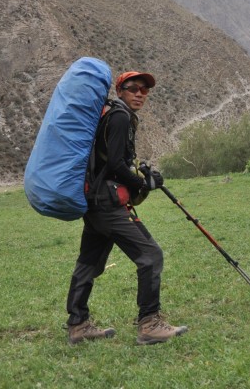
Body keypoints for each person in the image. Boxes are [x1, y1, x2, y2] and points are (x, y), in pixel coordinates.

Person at [64, 70, 188, 346]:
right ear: (119, 91)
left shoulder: (109, 114)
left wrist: (140, 178)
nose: (140, 94)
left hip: (94, 203)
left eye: (144, 90)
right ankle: (149, 324)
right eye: (133, 88)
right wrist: (144, 183)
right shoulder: (119, 116)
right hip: (108, 205)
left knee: (88, 263)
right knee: (150, 254)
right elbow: (115, 165)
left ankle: (78, 324)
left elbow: (112, 160)